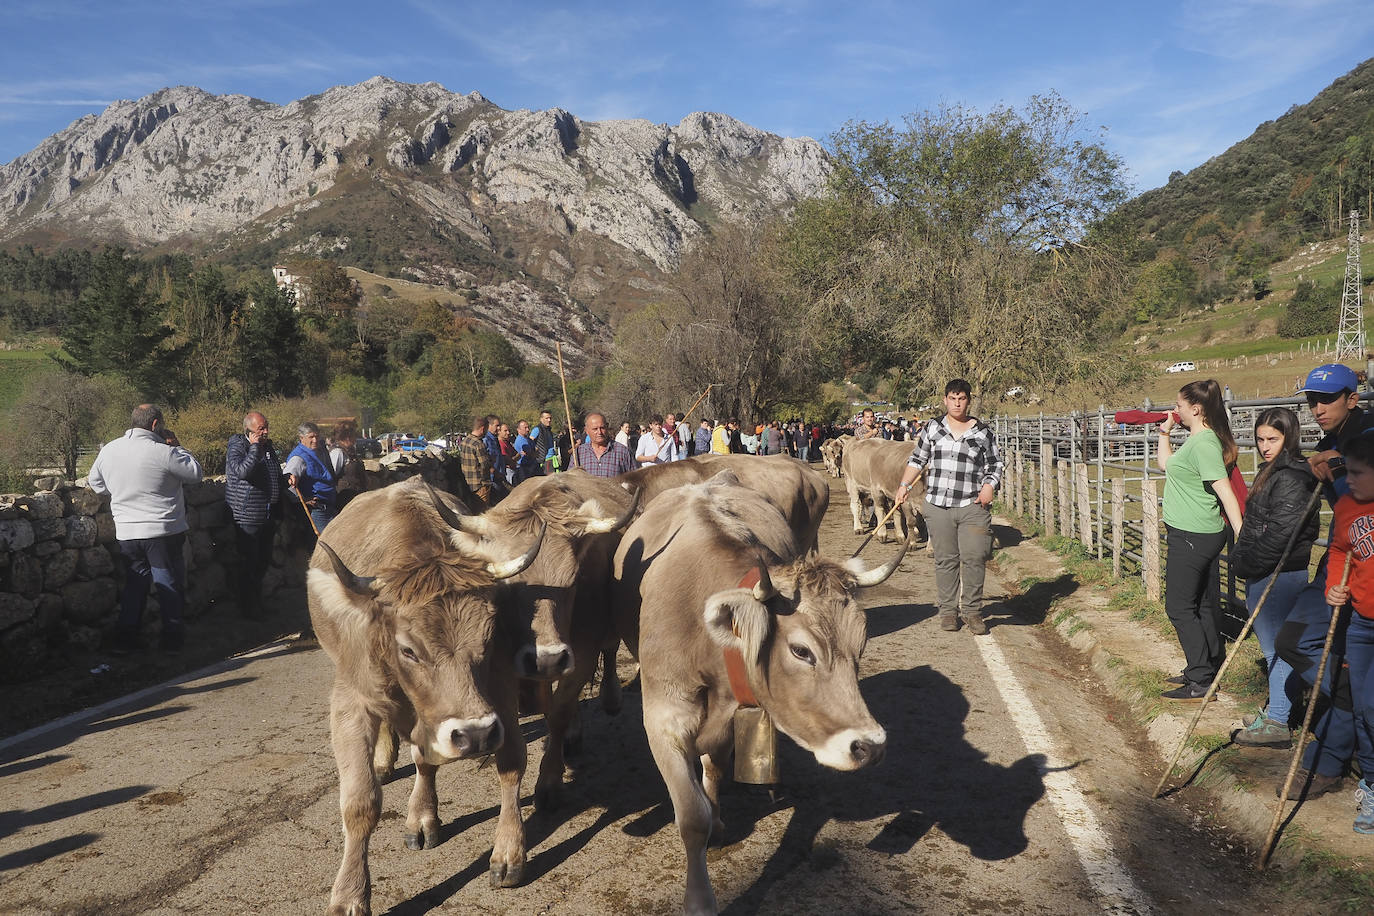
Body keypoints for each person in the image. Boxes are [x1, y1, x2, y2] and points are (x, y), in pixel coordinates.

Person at [1275, 363, 1374, 798]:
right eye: (1312, 400)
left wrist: (1334, 470)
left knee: (1330, 651)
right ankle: (1358, 708)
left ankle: (1330, 759)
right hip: (1340, 563)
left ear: (1352, 398)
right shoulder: (1330, 440)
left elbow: (1358, 504)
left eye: (1327, 398)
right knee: (1295, 639)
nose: (1317, 407)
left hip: (1365, 567)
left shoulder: (1367, 434)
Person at [1227, 407, 1318, 747]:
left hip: (1279, 572)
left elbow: (1281, 533)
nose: (1265, 446)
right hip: (1264, 571)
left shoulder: (1293, 476)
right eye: (1261, 439)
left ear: (1289, 438)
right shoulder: (1271, 470)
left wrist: (1248, 564)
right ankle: (1278, 710)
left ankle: (1278, 722)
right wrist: (1241, 557)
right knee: (1273, 647)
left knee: (1277, 649)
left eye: (1273, 439)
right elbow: (1254, 525)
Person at [88, 404, 203, 654]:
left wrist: (119, 490)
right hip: (161, 531)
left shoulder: (110, 450)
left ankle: (126, 639)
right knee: (167, 582)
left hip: (127, 531)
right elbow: (195, 473)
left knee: (135, 584)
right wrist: (177, 446)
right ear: (155, 425)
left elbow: (95, 483)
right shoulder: (163, 451)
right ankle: (171, 639)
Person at [1155, 380, 1244, 700]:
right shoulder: (1195, 440)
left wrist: (1241, 533)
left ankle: (1201, 679)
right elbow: (1165, 465)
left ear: (1196, 409)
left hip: (1194, 535)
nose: (1175, 409)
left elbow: (1226, 493)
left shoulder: (1204, 444)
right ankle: (1207, 663)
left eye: (1179, 405)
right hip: (1195, 533)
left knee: (1178, 607)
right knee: (1203, 604)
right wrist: (1164, 432)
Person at [894, 379, 1004, 636]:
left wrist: (989, 486)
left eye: (962, 398)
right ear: (945, 400)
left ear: (968, 401)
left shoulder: (982, 432)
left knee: (975, 557)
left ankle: (973, 612)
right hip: (938, 505)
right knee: (945, 560)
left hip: (972, 505)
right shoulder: (932, 428)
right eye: (952, 398)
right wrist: (904, 485)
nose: (957, 403)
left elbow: (995, 464)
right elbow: (918, 459)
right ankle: (948, 612)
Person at [1316, 433, 1374, 833]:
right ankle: (1372, 785)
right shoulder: (1348, 508)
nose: (1347, 480)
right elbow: (1340, 551)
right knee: (1365, 708)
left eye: (1356, 473)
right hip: (1362, 623)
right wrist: (1336, 585)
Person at [225, 411, 288, 620]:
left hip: (267, 514)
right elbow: (242, 472)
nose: (266, 431)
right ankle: (247, 608)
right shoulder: (238, 447)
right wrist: (253, 447)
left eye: (266, 426)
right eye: (261, 428)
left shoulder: (268, 448)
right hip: (247, 516)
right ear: (249, 430)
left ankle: (257, 603)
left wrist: (287, 478)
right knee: (248, 564)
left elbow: (274, 476)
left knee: (262, 562)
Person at [285, 422, 338, 534]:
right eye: (311, 437)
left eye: (317, 436)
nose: (315, 440)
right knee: (324, 543)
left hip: (330, 506)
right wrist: (303, 500)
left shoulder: (320, 451)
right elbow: (287, 482)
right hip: (316, 510)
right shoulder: (298, 458)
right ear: (301, 438)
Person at [577, 412, 635, 477]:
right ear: (586, 430)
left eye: (602, 428)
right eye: (595, 429)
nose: (599, 432)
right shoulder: (578, 453)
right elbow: (570, 483)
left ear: (607, 427)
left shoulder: (623, 451)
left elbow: (634, 480)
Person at [458, 414, 495, 509]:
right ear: (482, 428)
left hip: (468, 482)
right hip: (480, 484)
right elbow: (485, 464)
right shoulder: (478, 444)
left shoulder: (464, 441)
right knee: (482, 511)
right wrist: (492, 460)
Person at [513, 419, 538, 485]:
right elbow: (530, 453)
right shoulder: (520, 440)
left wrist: (533, 453)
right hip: (525, 469)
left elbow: (536, 452)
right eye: (525, 428)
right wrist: (532, 453)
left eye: (528, 427)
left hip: (533, 467)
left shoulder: (528, 439)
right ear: (518, 429)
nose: (527, 429)